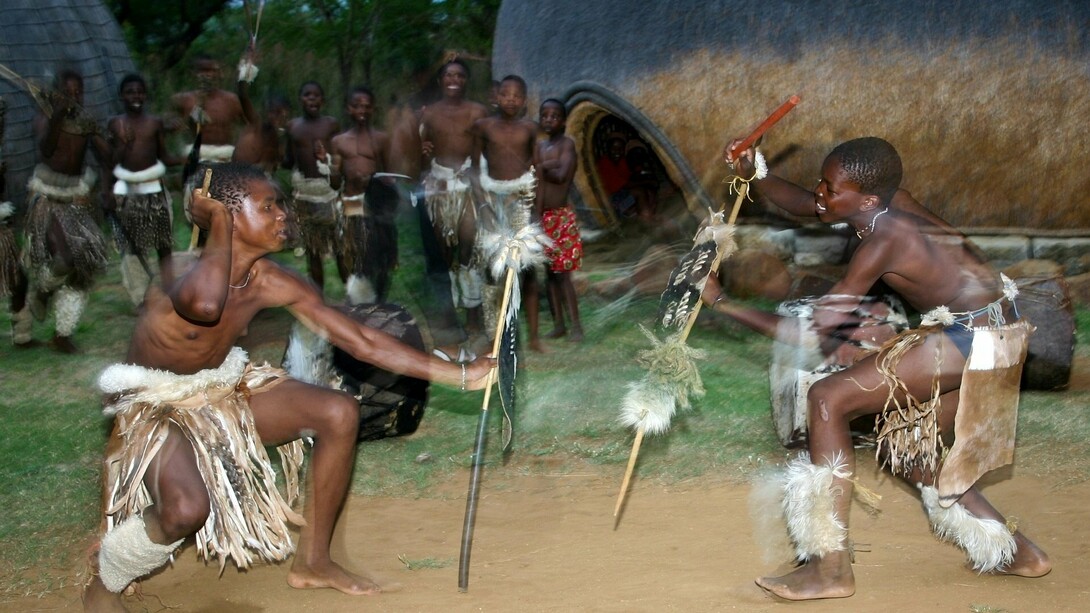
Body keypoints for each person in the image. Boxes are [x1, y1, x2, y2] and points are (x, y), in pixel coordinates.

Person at [81, 162, 493, 612]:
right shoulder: (178, 272)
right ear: (228, 216)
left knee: (338, 411)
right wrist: (216, 219)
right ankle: (106, 581)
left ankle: (314, 562)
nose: (284, 215)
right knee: (184, 511)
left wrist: (461, 374)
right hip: (156, 406)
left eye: (281, 205)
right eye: (268, 207)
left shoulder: (273, 280)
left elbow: (362, 340)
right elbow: (205, 304)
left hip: (220, 391)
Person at [705, 136, 1050, 600]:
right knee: (908, 450)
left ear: (866, 200)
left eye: (830, 188)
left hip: (974, 340)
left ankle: (830, 568)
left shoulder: (885, 240)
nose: (820, 193)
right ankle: (1014, 551)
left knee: (827, 399)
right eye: (822, 183)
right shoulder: (888, 204)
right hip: (996, 332)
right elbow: (806, 204)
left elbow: (811, 332)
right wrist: (755, 172)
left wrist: (721, 302)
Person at [24, 68, 111, 353]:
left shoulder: (84, 123)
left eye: (78, 92)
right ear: (56, 94)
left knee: (83, 265)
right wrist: (58, 116)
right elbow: (46, 150)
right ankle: (43, 289)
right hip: (47, 197)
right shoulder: (45, 118)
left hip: (75, 198)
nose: (74, 97)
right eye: (67, 92)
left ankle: (63, 334)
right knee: (66, 257)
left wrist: (103, 135)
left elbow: (107, 157)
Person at [471, 75, 545, 350]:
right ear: (496, 97)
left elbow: (537, 169)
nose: (510, 99)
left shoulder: (530, 128)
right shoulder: (483, 127)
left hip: (521, 201)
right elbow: (474, 170)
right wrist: (483, 205)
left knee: (527, 268)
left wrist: (535, 210)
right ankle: (494, 335)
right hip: (492, 201)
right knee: (492, 267)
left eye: (516, 95)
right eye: (505, 94)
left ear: (524, 101)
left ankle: (534, 337)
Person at [419, 59, 489, 344]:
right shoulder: (429, 113)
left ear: (466, 80)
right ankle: (448, 316)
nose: (454, 80)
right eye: (449, 75)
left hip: (467, 186)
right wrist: (422, 150)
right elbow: (419, 151)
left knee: (469, 251)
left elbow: (484, 149)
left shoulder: (477, 112)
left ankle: (473, 315)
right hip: (439, 188)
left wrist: (480, 183)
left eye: (460, 75)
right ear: (440, 81)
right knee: (443, 254)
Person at [106, 74, 183, 306]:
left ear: (146, 95)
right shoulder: (115, 124)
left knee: (163, 243)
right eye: (130, 92)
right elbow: (110, 161)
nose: (135, 96)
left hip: (154, 190)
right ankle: (141, 297)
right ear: (122, 96)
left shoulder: (154, 123)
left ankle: (170, 289)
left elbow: (164, 156)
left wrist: (186, 159)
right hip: (128, 192)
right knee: (134, 247)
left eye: (139, 91)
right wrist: (108, 191)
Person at [330, 86, 395, 303]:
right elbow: (334, 182)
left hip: (376, 206)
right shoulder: (339, 141)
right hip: (352, 204)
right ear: (348, 109)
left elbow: (389, 176)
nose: (362, 110)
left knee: (381, 256)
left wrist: (375, 181)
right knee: (354, 255)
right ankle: (357, 300)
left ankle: (379, 302)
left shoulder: (382, 139)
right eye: (357, 106)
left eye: (367, 106)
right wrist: (333, 169)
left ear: (373, 109)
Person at [534, 99, 584, 342]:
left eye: (554, 116)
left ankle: (576, 326)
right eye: (545, 115)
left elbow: (561, 175)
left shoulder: (567, 144)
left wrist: (541, 166)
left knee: (563, 274)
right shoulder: (540, 147)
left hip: (560, 217)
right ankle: (559, 325)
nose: (549, 119)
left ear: (563, 121)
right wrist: (545, 165)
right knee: (549, 274)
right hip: (541, 217)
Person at [285, 81, 343, 290]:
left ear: (323, 100)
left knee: (340, 247)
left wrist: (332, 166)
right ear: (300, 99)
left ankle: (352, 294)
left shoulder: (331, 124)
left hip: (329, 192)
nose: (311, 98)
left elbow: (339, 157)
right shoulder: (292, 127)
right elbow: (289, 159)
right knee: (313, 251)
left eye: (316, 95)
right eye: (307, 95)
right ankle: (318, 296)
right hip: (305, 195)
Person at [170, 54, 249, 164]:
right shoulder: (184, 100)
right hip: (197, 159)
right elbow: (169, 124)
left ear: (219, 73)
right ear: (194, 73)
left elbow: (250, 126)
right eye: (201, 71)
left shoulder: (231, 100)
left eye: (211, 71)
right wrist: (174, 123)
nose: (206, 75)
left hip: (224, 158)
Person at [232, 91, 290, 176]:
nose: (274, 116)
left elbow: (276, 163)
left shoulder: (280, 137)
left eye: (280, 113)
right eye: (273, 112)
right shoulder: (255, 124)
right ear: (266, 111)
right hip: (240, 174)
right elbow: (243, 97)